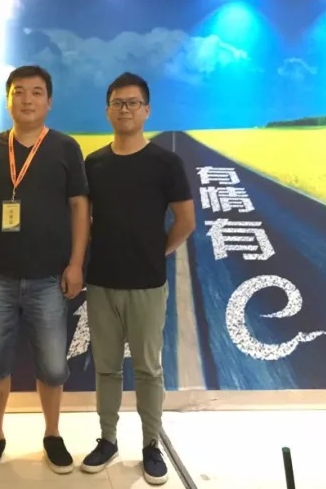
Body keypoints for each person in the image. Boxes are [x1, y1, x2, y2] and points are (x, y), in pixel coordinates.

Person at [0, 65, 90, 477]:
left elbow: (79, 207)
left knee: (52, 366)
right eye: (19, 92)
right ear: (8, 100)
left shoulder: (66, 148)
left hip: (49, 278)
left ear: (49, 102)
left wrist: (76, 263)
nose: (27, 99)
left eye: (37, 92)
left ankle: (52, 434)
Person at [81, 72, 196, 485]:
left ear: (146, 110)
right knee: (106, 368)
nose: (125, 109)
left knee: (148, 369)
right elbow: (83, 219)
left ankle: (151, 445)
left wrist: (157, 250)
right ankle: (107, 439)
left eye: (133, 103)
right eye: (118, 103)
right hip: (101, 282)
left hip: (147, 284)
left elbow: (185, 220)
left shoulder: (166, 163)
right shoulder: (93, 163)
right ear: (108, 110)